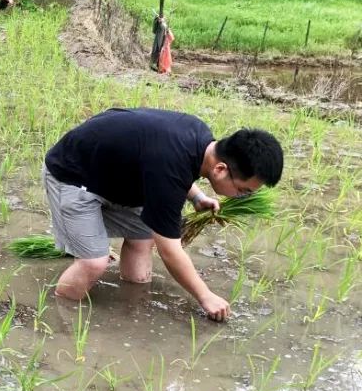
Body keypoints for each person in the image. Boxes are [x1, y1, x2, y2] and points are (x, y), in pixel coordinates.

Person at [42, 108, 283, 321]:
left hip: (112, 175)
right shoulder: (171, 166)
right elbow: (170, 251)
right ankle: (62, 314)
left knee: (143, 237)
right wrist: (205, 296)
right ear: (220, 169)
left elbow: (168, 167)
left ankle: (132, 301)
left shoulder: (201, 142)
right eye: (242, 191)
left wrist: (197, 196)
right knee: (93, 262)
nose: (241, 197)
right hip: (72, 174)